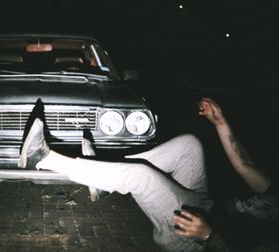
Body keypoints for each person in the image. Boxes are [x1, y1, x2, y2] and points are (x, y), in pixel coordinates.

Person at [18, 98, 278, 252]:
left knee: (141, 176)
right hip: (208, 207)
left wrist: (209, 237)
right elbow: (243, 163)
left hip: (196, 238)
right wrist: (220, 122)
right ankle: (104, 178)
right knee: (189, 145)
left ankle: (43, 158)